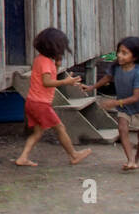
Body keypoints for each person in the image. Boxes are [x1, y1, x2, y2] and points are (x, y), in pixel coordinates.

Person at [15, 27, 92, 167]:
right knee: (60, 127)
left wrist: (56, 65)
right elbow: (47, 82)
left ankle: (23, 157)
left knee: (37, 133)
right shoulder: (45, 62)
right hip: (41, 104)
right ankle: (73, 155)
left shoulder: (40, 59)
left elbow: (49, 76)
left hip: (32, 102)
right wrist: (65, 82)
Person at [87, 36, 139, 170]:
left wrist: (114, 103)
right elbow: (107, 78)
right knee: (122, 129)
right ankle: (130, 160)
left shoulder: (138, 73)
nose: (119, 55)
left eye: (124, 53)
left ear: (135, 57)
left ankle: (138, 157)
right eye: (119, 51)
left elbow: (136, 97)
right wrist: (92, 87)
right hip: (124, 107)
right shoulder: (116, 67)